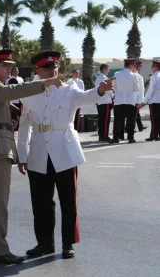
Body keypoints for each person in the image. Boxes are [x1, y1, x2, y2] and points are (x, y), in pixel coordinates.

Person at [0, 48, 62, 265]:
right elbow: (14, 91)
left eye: (10, 64)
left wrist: (9, 120)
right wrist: (45, 83)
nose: (9, 67)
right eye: (4, 64)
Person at [17, 50, 115, 259]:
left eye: (54, 67)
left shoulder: (69, 90)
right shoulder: (29, 92)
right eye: (47, 68)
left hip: (64, 150)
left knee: (68, 201)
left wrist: (100, 90)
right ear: (38, 70)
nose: (52, 71)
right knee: (41, 202)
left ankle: (67, 243)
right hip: (38, 152)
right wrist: (22, 154)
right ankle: (44, 243)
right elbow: (24, 126)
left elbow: (86, 97)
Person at [110, 59, 139, 144]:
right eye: (133, 65)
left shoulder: (117, 74)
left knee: (117, 120)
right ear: (130, 66)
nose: (134, 67)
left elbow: (114, 87)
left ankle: (116, 138)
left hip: (119, 99)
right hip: (130, 100)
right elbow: (136, 89)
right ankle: (130, 137)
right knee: (130, 120)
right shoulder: (134, 76)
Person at [120, 60, 147, 135]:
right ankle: (130, 134)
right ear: (135, 66)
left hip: (125, 99)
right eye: (138, 66)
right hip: (133, 100)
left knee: (127, 116)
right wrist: (140, 101)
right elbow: (140, 90)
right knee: (131, 117)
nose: (139, 68)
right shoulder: (136, 76)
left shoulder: (122, 74)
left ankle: (124, 132)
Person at [140, 60, 160, 141]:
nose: (152, 68)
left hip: (154, 100)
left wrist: (144, 101)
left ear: (156, 67)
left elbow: (150, 90)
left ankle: (154, 135)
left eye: (153, 66)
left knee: (154, 119)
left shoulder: (154, 76)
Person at [95, 64, 114, 141]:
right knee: (106, 120)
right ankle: (105, 136)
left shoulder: (97, 78)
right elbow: (109, 90)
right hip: (105, 101)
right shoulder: (105, 78)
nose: (108, 71)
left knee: (101, 119)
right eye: (108, 69)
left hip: (99, 101)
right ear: (104, 70)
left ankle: (101, 135)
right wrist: (113, 96)